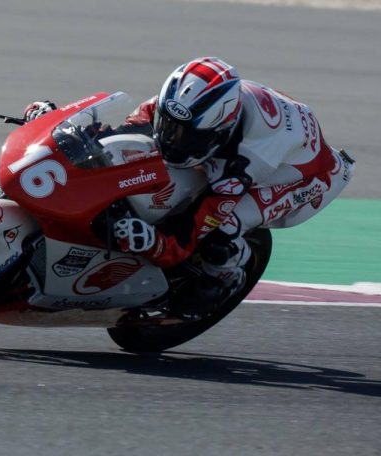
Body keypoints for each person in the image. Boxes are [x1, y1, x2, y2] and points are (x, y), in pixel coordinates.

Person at [23, 57, 355, 318]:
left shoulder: (247, 160)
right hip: (263, 134)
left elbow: (190, 235)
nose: (172, 140)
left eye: (187, 136)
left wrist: (152, 242)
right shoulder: (176, 107)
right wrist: (58, 128)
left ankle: (222, 277)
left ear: (220, 131)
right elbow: (121, 134)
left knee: (224, 227)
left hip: (304, 177)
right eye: (170, 126)